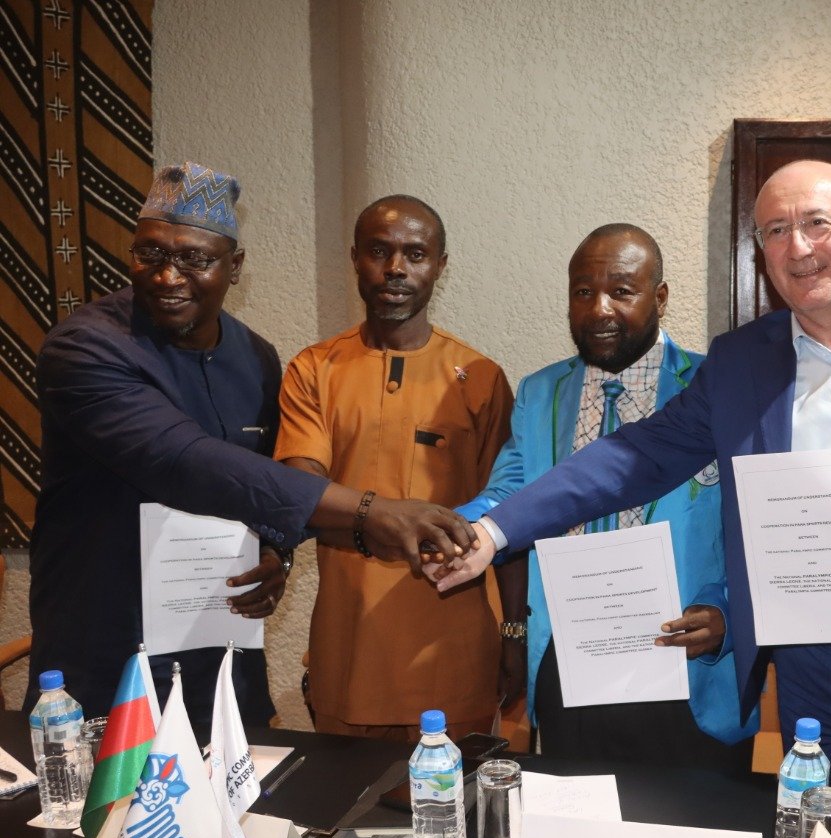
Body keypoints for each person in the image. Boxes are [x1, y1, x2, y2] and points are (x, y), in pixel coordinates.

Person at [435, 160, 831, 800]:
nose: (799, 247)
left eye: (817, 223)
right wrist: (494, 530)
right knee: (813, 834)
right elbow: (635, 456)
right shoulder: (739, 362)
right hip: (811, 673)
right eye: (776, 230)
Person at [29, 163, 477, 731]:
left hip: (221, 643)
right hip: (107, 647)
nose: (168, 276)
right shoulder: (86, 348)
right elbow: (184, 461)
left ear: (235, 267)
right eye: (150, 254)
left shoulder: (257, 359)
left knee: (242, 786)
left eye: (195, 259)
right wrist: (371, 509)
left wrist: (274, 552)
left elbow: (261, 484)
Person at [456, 224, 758, 770]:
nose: (599, 309)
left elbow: (756, 523)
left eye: (621, 291)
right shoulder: (539, 392)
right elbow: (511, 490)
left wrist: (728, 614)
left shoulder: (718, 386)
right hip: (573, 659)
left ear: (659, 297)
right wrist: (459, 529)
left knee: (695, 819)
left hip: (686, 658)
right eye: (582, 291)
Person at [275, 195, 520, 742]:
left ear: (440, 265)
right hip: (349, 651)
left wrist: (514, 633)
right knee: (345, 797)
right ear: (355, 258)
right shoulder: (314, 370)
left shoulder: (479, 377)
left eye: (415, 253)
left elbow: (510, 513)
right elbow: (300, 493)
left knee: (454, 796)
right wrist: (381, 516)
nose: (395, 268)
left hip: (454, 653)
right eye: (379, 251)